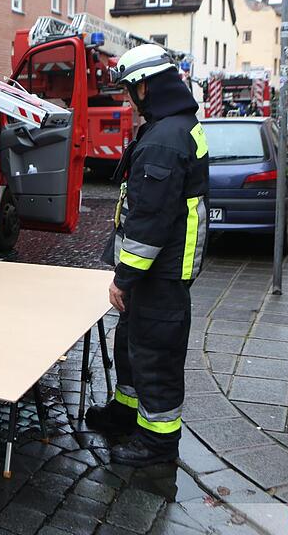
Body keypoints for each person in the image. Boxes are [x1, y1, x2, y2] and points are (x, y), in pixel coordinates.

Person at [85, 43, 208, 467]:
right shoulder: (172, 127)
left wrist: (124, 277)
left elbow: (151, 220)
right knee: (132, 344)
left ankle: (157, 444)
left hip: (159, 273)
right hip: (153, 273)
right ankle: (125, 413)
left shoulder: (164, 140)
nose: (127, 99)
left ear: (146, 87)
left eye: (129, 90)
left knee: (156, 355)